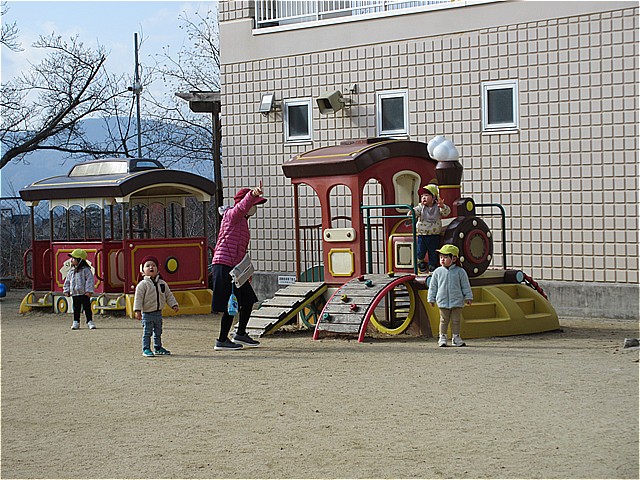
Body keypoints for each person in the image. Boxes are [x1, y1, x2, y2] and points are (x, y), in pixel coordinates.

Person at [211, 183, 267, 351]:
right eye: (254, 204)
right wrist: (252, 194)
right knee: (230, 304)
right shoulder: (231, 216)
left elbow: (241, 250)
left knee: (248, 300)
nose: (255, 208)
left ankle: (240, 333)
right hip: (223, 265)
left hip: (235, 268)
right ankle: (222, 340)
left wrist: (245, 271)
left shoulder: (242, 222)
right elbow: (241, 207)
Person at [427, 244, 473, 347]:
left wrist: (468, 297)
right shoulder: (437, 272)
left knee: (456, 320)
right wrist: (431, 298)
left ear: (454, 259)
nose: (442, 259)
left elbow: (465, 286)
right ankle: (442, 337)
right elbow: (433, 286)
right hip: (443, 301)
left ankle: (456, 337)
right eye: (441, 257)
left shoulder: (460, 272)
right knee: (443, 320)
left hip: (457, 301)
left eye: (445, 257)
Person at [133, 255, 179, 357]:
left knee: (158, 331)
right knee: (147, 332)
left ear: (158, 269)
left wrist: (173, 304)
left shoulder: (162, 284)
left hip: (158, 313)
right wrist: (137, 310)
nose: (151, 267)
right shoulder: (142, 285)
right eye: (148, 266)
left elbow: (168, 295)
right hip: (147, 314)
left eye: (153, 265)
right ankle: (146, 348)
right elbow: (138, 298)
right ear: (142, 271)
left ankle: (158, 347)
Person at [411, 184, 451, 274]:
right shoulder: (421, 207)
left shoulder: (438, 207)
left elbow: (446, 212)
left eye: (426, 195)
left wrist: (443, 206)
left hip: (434, 234)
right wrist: (411, 212)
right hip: (422, 234)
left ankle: (432, 265)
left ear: (433, 197)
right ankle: (420, 262)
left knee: (433, 252)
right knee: (420, 251)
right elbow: (416, 211)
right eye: (422, 196)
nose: (423, 198)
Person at [63, 249, 96, 330]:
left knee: (87, 308)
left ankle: (89, 321)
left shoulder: (86, 270)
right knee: (76, 308)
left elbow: (90, 281)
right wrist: (66, 290)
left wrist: (89, 291)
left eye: (73, 258)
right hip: (75, 293)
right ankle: (76, 321)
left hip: (84, 293)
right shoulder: (71, 271)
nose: (71, 260)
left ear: (80, 260)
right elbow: (67, 281)